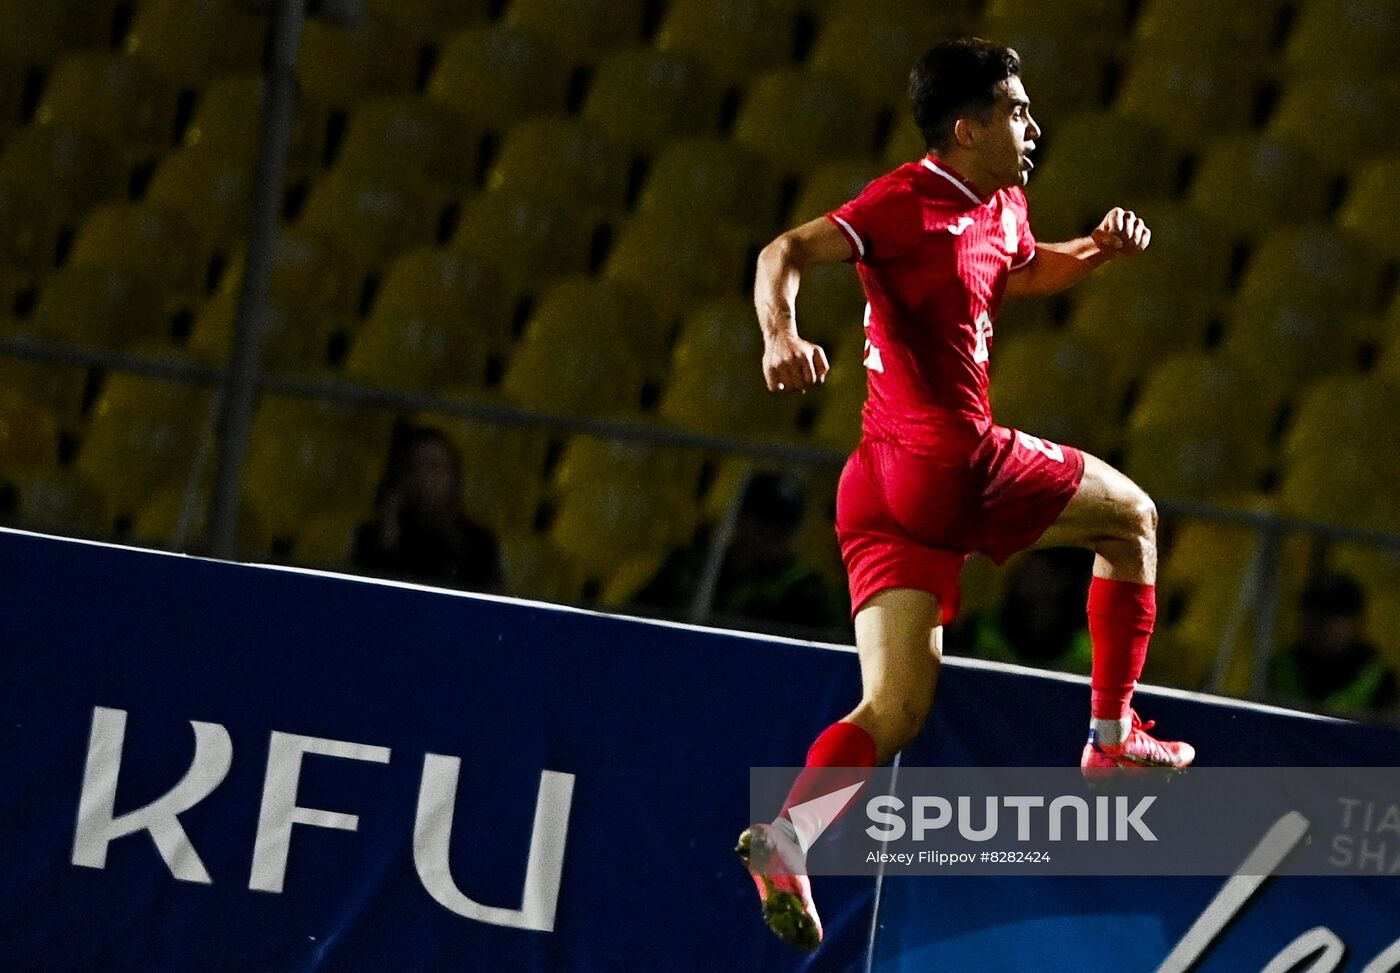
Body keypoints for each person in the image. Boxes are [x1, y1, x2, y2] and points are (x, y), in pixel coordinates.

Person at [736, 38, 1195, 951]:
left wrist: (1094, 251)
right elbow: (781, 251)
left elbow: (1019, 272)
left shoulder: (1003, 202)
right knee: (1134, 520)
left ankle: (788, 841)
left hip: (876, 486)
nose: (1032, 126)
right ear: (966, 126)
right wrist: (779, 336)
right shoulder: (903, 201)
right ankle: (1109, 733)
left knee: (896, 707)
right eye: (1016, 111)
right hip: (949, 465)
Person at [634, 472, 848, 634]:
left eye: (780, 526)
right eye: (760, 521)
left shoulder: (802, 586)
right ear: (738, 518)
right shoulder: (691, 564)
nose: (768, 534)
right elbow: (641, 618)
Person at [352, 424, 502, 592]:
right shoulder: (374, 536)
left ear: (453, 477)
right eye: (417, 467)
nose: (425, 478)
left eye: (435, 467)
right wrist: (388, 536)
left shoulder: (479, 543)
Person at [1270, 573, 1397, 715]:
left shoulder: (1377, 678)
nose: (1320, 625)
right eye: (1313, 615)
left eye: (1333, 617)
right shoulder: (1282, 665)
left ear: (1355, 622)